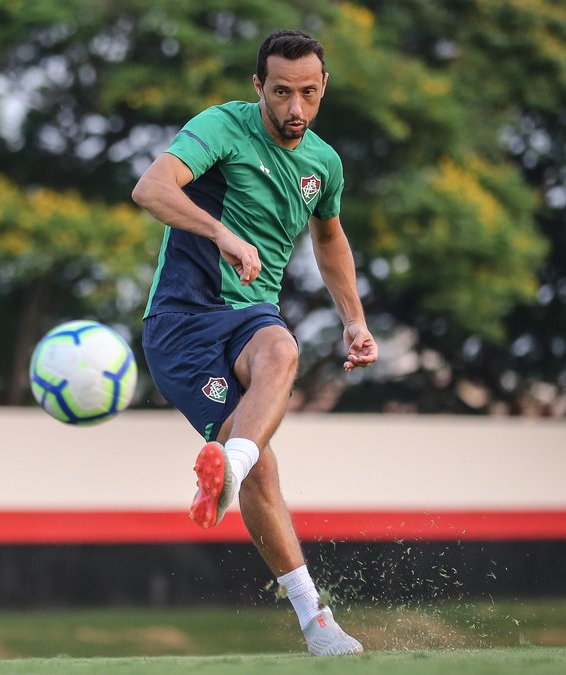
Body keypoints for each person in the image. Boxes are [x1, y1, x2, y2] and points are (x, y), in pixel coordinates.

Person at [131, 29, 377, 657]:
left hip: (249, 317)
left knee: (283, 349)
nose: (296, 109)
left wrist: (353, 320)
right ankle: (315, 620)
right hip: (181, 327)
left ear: (324, 89)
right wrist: (222, 234)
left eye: (310, 94)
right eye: (282, 92)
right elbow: (151, 189)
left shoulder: (323, 164)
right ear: (257, 87)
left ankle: (229, 467)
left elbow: (330, 239)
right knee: (265, 468)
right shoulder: (221, 127)